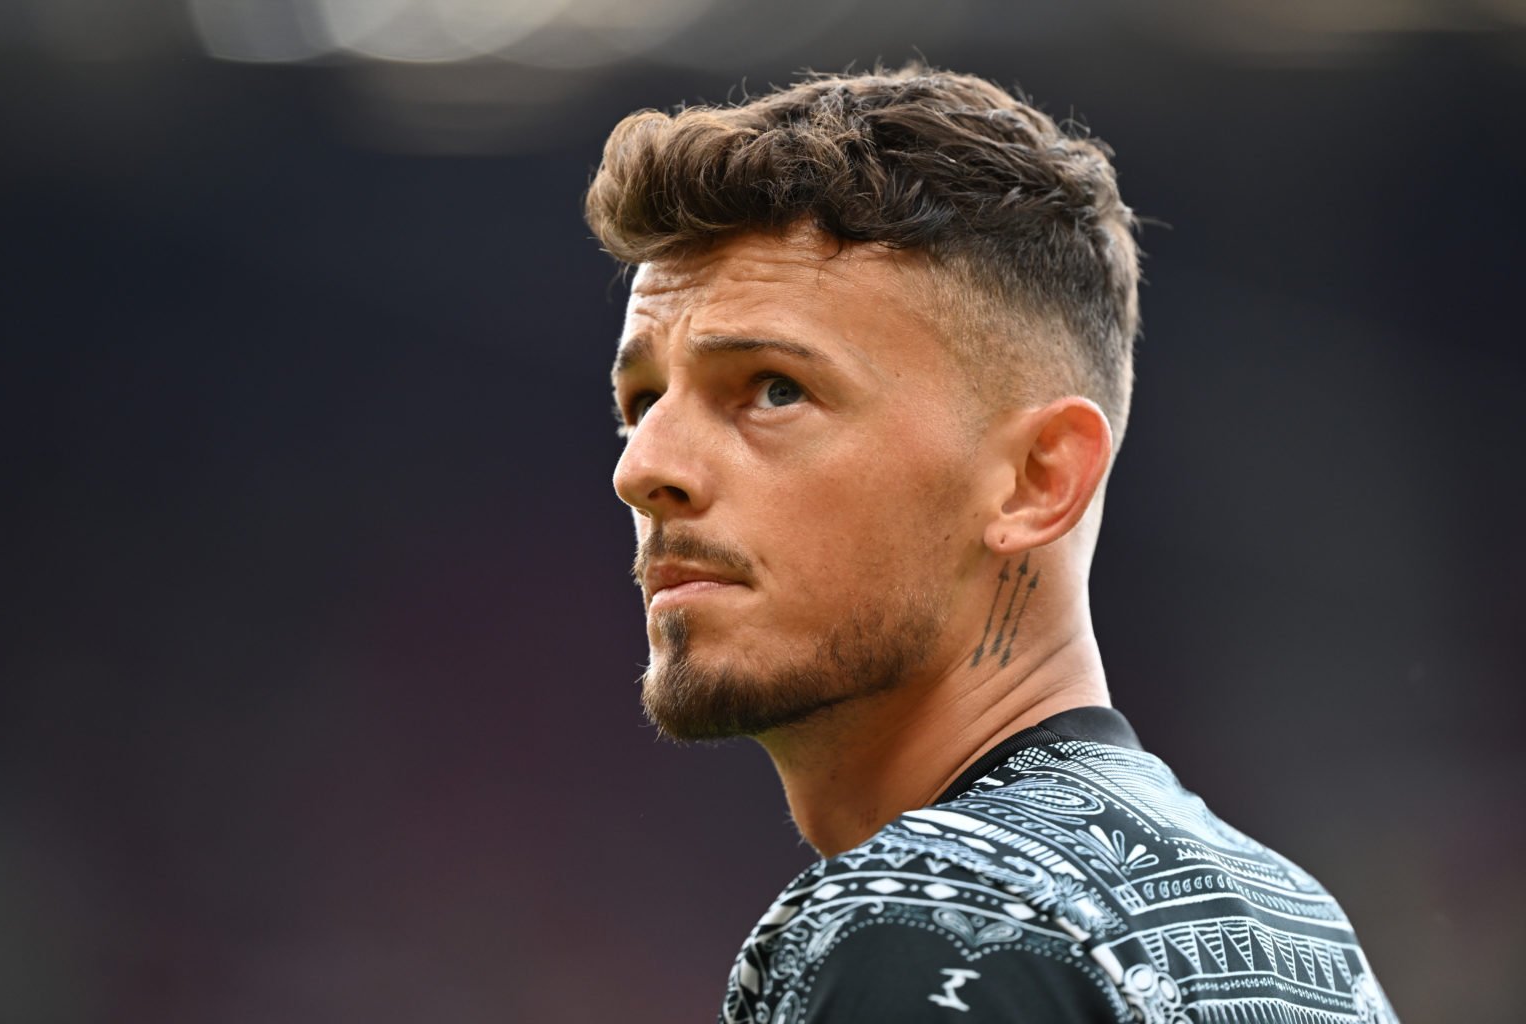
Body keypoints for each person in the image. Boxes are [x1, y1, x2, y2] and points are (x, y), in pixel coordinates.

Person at [585, 66, 1398, 1023]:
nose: (643, 468)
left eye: (773, 388)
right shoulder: (1296, 930)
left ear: (1038, 478)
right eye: (641, 403)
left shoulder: (919, 927)